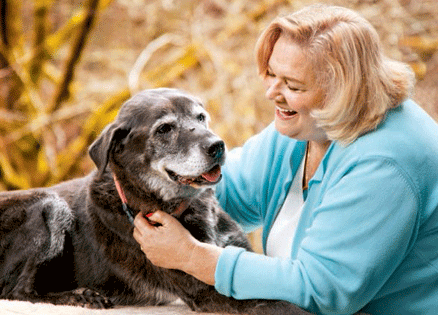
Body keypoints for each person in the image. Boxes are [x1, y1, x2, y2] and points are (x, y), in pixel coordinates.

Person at [133, 4, 438, 314]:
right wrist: (154, 186)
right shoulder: (308, 125)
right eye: (271, 74)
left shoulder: (386, 163)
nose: (271, 93)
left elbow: (324, 288)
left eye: (293, 85)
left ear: (342, 91)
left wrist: (193, 258)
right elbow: (230, 194)